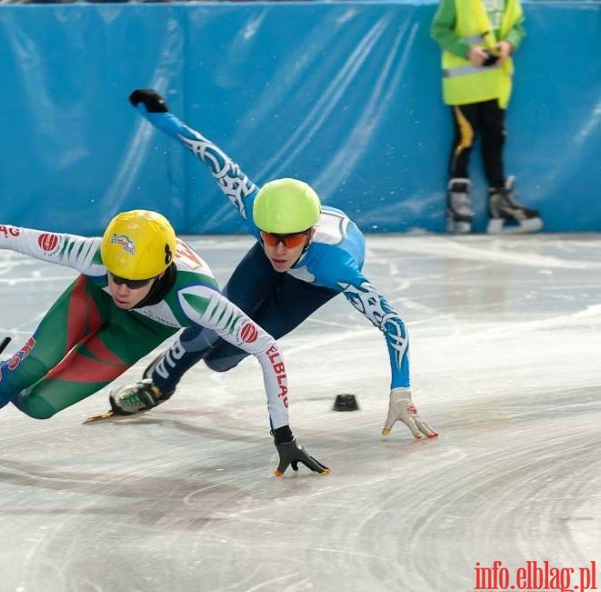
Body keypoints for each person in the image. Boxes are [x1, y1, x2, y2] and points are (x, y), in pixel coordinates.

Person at [0, 210, 329, 477]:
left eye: (136, 282)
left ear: (164, 271)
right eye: (117, 276)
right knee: (34, 364)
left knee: (39, 406)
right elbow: (12, 237)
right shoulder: (92, 256)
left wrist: (282, 434)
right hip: (90, 300)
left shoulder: (200, 300)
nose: (124, 289)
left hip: (141, 332)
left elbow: (268, 349)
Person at [109, 89, 438, 443]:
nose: (279, 250)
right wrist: (160, 116)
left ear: (309, 233)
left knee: (221, 359)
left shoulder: (336, 266)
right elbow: (213, 157)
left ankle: (190, 355)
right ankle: (160, 382)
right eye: (270, 237)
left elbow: (392, 323)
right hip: (279, 263)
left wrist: (400, 391)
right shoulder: (257, 214)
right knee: (213, 320)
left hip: (313, 281)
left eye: (291, 239)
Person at [431, 0, 542, 234]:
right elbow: (439, 29)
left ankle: (498, 199)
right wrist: (466, 50)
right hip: (464, 83)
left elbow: (517, 26)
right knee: (466, 138)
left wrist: (508, 44)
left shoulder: (510, 2)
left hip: (496, 82)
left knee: (495, 138)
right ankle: (458, 197)